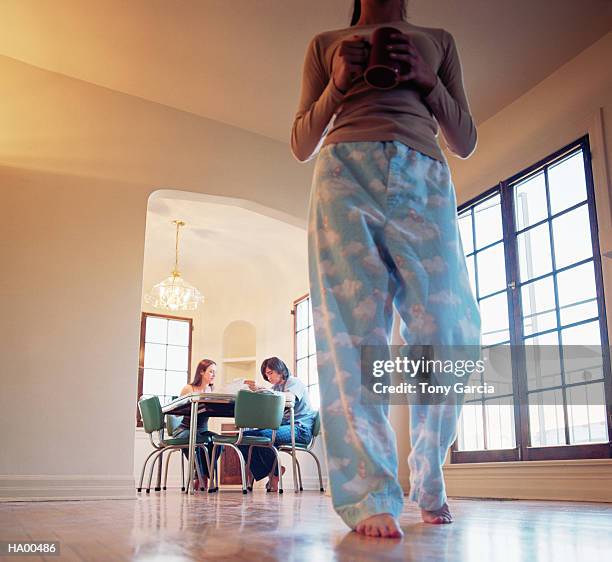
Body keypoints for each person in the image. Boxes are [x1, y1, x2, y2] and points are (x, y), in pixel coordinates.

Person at [291, 0, 481, 539]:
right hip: (342, 171)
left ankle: (428, 470)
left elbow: (465, 140)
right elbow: (301, 142)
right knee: (349, 332)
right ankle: (370, 491)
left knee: (449, 331)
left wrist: (426, 80)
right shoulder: (325, 42)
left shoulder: (438, 39)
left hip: (425, 170)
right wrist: (340, 83)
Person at [242, 357, 316, 492]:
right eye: (266, 374)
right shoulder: (276, 387)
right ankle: (274, 472)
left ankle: (274, 474)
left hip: (300, 429)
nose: (268, 377)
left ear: (280, 370)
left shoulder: (294, 382)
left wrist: (263, 390)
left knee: (263, 436)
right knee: (244, 438)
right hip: (286, 428)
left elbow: (289, 398)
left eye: (270, 373)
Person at [172, 359, 221, 490]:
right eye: (211, 371)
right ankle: (200, 477)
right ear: (201, 372)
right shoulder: (189, 388)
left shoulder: (211, 390)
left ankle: (204, 475)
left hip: (202, 431)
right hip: (184, 429)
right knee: (194, 439)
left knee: (217, 442)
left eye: (214, 372)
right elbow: (176, 413)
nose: (213, 375)